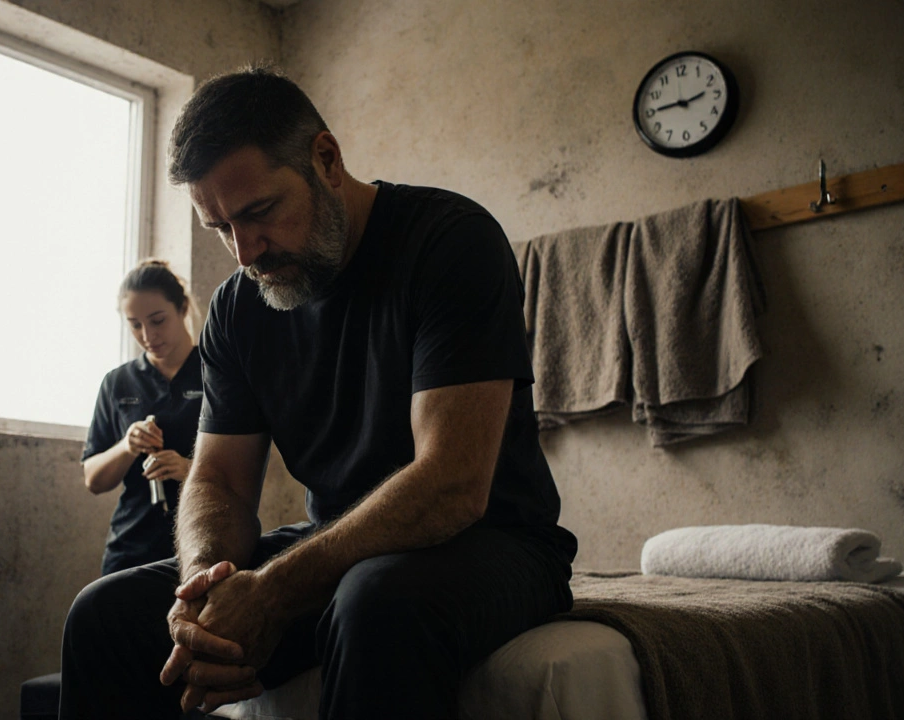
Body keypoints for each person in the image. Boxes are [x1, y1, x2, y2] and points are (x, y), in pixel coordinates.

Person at [59, 66, 578, 720]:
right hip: (339, 546)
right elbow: (217, 479)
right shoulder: (236, 311)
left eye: (258, 213)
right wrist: (207, 591)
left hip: (494, 543)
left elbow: (451, 482)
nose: (244, 252)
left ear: (326, 160)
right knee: (104, 614)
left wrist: (273, 593)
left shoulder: (449, 242)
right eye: (220, 227)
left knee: (375, 602)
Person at [81, 259, 203, 576]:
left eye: (157, 320)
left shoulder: (215, 373)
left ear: (183, 308)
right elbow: (93, 480)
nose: (148, 335)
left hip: (200, 542)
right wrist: (127, 445)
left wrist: (189, 469)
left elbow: (247, 466)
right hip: (130, 549)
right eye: (135, 325)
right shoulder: (117, 382)